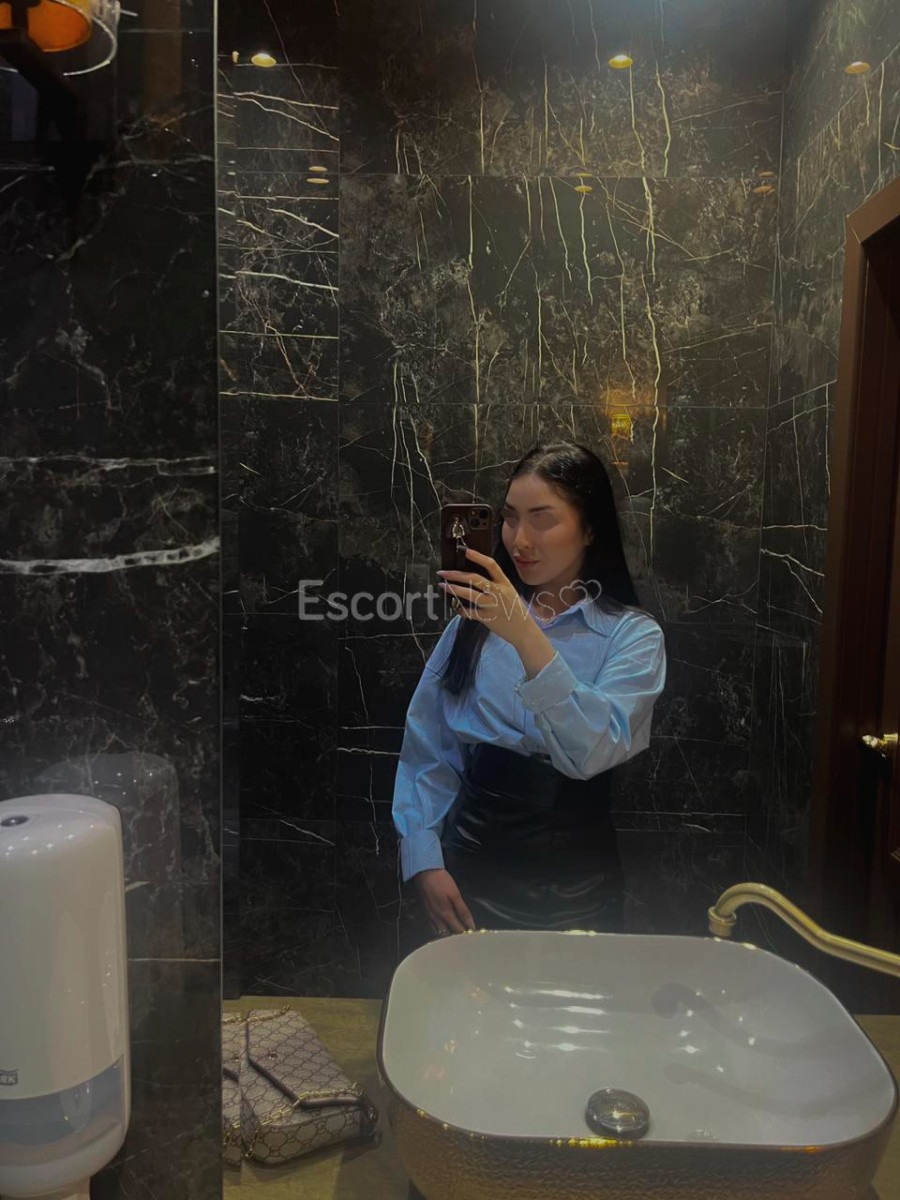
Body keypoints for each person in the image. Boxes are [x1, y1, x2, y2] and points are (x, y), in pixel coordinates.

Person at [392, 441, 666, 941]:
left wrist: (525, 635)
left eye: (542, 519)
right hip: (470, 864)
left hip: (580, 880)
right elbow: (430, 744)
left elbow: (591, 752)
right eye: (510, 518)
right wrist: (423, 858)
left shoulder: (634, 637)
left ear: (589, 528)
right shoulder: (471, 624)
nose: (520, 539)